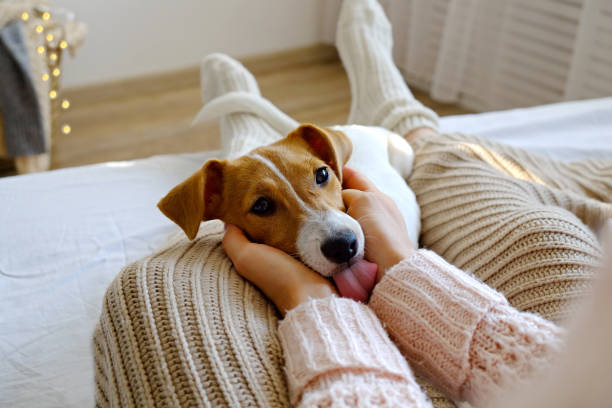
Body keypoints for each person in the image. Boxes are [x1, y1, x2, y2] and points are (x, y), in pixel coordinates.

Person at [93, 0, 612, 406]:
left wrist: (307, 296)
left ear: (335, 163)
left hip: (379, 154)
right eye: (264, 207)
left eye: (323, 177)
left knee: (444, 163)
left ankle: (298, 124)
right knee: (475, 182)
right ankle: (356, 109)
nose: (331, 228)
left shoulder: (352, 158)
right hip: (511, 341)